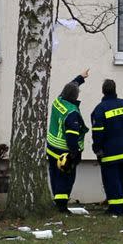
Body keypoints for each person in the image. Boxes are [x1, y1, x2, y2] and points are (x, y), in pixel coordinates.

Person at [91, 79, 123, 216]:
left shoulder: (100, 109)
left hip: (109, 153)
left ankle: (116, 209)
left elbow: (97, 132)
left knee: (112, 181)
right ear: (115, 89)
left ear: (103, 91)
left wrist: (97, 149)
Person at [46, 68, 90, 213]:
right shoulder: (72, 113)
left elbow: (69, 86)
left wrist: (80, 78)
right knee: (67, 178)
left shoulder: (58, 101)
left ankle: (58, 201)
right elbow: (72, 138)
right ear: (75, 96)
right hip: (64, 153)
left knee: (55, 176)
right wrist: (75, 154)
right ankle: (62, 207)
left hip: (51, 148)